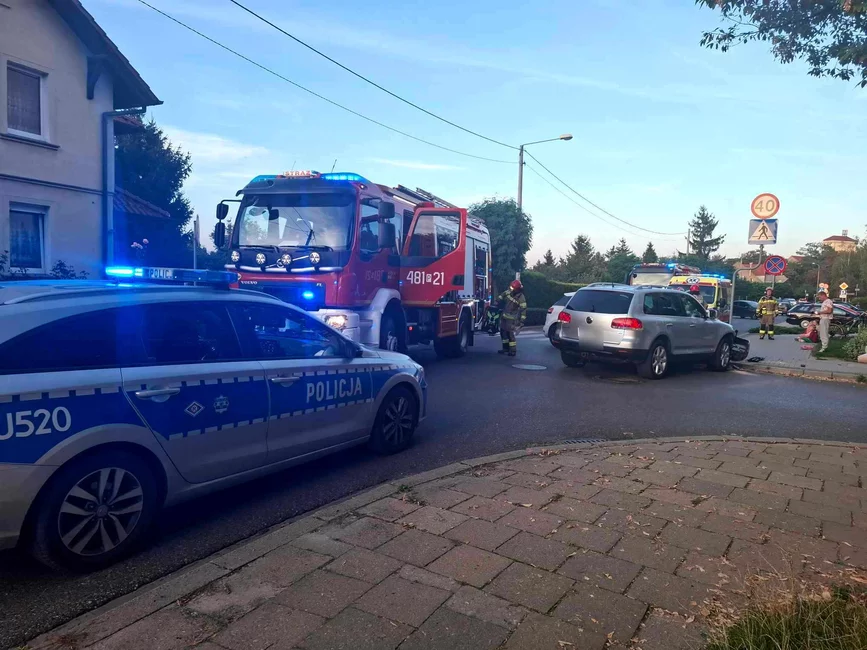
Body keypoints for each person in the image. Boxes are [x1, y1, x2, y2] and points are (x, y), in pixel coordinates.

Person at [496, 279, 527, 356]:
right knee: (503, 333)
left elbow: (523, 309)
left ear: (517, 289)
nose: (511, 289)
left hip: (512, 319)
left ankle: (513, 350)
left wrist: (522, 320)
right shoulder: (508, 292)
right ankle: (505, 348)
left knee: (510, 334)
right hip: (504, 316)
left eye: (513, 288)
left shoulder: (521, 297)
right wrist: (497, 301)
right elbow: (501, 296)